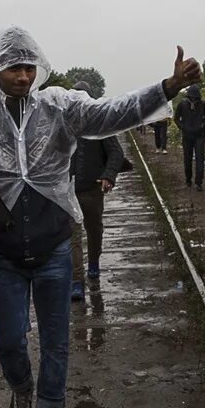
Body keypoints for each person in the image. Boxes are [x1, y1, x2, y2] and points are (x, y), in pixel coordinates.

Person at [0, 26, 200, 408]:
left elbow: (112, 113)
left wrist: (168, 87)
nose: (24, 76)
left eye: (30, 67)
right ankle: (21, 389)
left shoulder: (61, 106)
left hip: (52, 250)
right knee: (9, 341)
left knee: (56, 342)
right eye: (14, 68)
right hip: (4, 256)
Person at [68, 81, 126, 301]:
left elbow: (116, 153)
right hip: (67, 190)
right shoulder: (63, 124)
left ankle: (93, 262)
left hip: (92, 189)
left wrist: (108, 175)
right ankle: (76, 281)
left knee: (94, 229)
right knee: (72, 236)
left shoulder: (99, 126)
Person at [173, 85, 205, 190]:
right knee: (187, 159)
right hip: (187, 136)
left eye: (195, 98)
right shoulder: (182, 104)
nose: (194, 99)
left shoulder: (203, 105)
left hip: (199, 136)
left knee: (200, 159)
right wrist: (183, 127)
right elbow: (176, 118)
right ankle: (188, 179)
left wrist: (202, 126)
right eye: (192, 97)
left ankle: (199, 182)